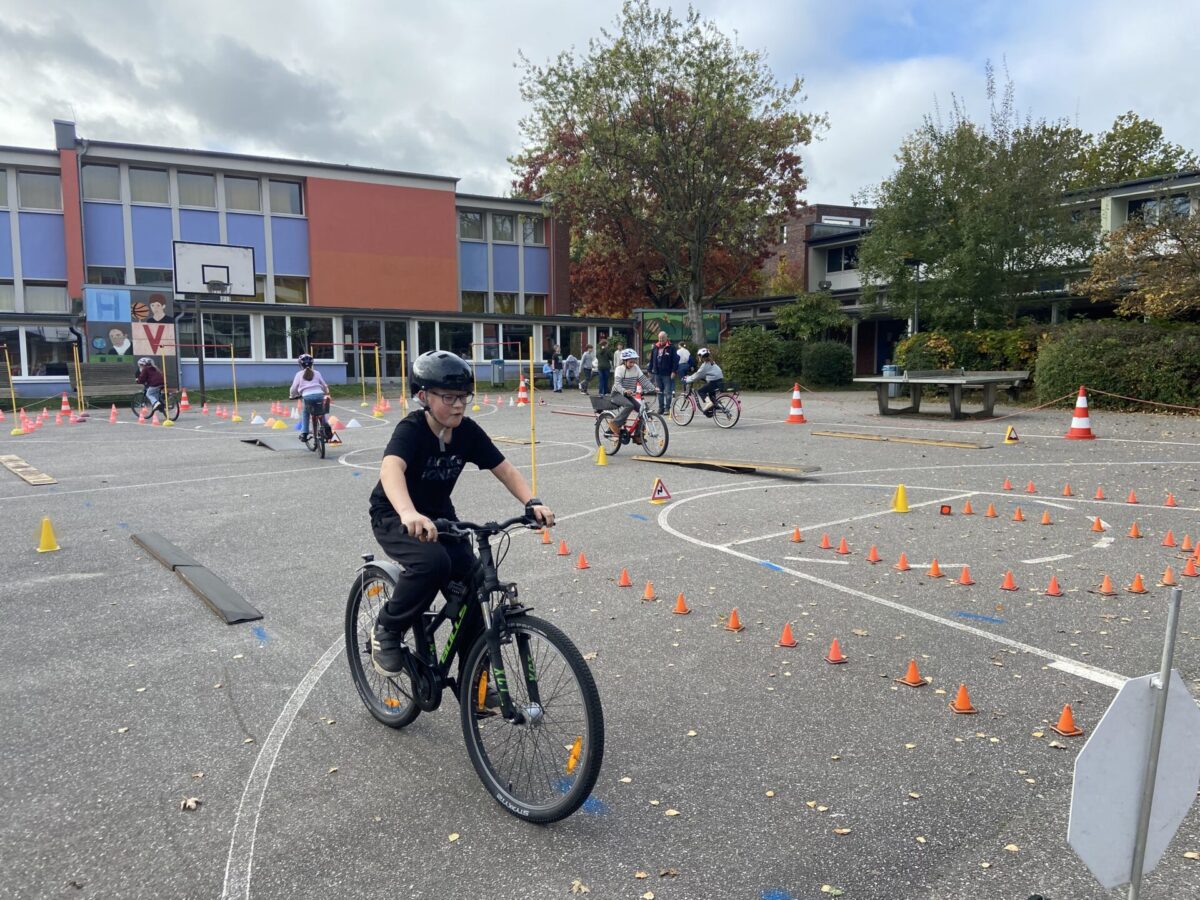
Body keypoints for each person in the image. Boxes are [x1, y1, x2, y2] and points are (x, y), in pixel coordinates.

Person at [368, 350, 554, 680]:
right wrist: (409, 512)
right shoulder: (412, 429)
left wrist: (532, 502)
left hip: (441, 518)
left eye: (464, 397)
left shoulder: (466, 432)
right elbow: (391, 468)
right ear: (423, 396)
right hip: (395, 515)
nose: (458, 405)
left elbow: (505, 469)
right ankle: (388, 628)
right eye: (449, 397)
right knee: (432, 563)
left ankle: (475, 681)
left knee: (477, 584)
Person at [608, 347, 657, 439]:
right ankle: (614, 423)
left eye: (634, 361)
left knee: (643, 411)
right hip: (617, 394)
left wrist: (653, 388)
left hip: (628, 395)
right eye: (630, 362)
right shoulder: (619, 369)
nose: (632, 364)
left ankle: (638, 435)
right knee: (629, 405)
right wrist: (624, 390)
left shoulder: (636, 368)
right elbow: (617, 385)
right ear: (624, 361)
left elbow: (644, 381)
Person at [289, 353, 332, 442]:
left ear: (300, 364)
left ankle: (304, 433)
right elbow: (324, 385)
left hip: (307, 397)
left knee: (305, 413)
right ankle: (327, 428)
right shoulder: (317, 373)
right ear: (312, 364)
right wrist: (325, 392)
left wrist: (292, 395)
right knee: (321, 412)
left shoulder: (299, 374)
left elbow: (293, 388)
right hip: (319, 395)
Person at [684, 348, 725, 415]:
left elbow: (697, 375)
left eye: (699, 356)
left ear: (701, 357)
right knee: (711, 393)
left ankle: (709, 403)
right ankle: (714, 406)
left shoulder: (705, 365)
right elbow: (706, 373)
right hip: (719, 380)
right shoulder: (712, 362)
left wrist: (687, 379)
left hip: (714, 381)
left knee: (701, 391)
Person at [648, 331, 678, 414]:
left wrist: (674, 371)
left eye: (662, 338)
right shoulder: (655, 347)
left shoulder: (671, 347)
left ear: (666, 338)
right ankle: (661, 408)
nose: (661, 340)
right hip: (657, 373)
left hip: (667, 374)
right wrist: (650, 370)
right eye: (659, 338)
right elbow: (652, 359)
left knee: (668, 392)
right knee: (659, 392)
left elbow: (675, 361)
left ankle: (667, 408)